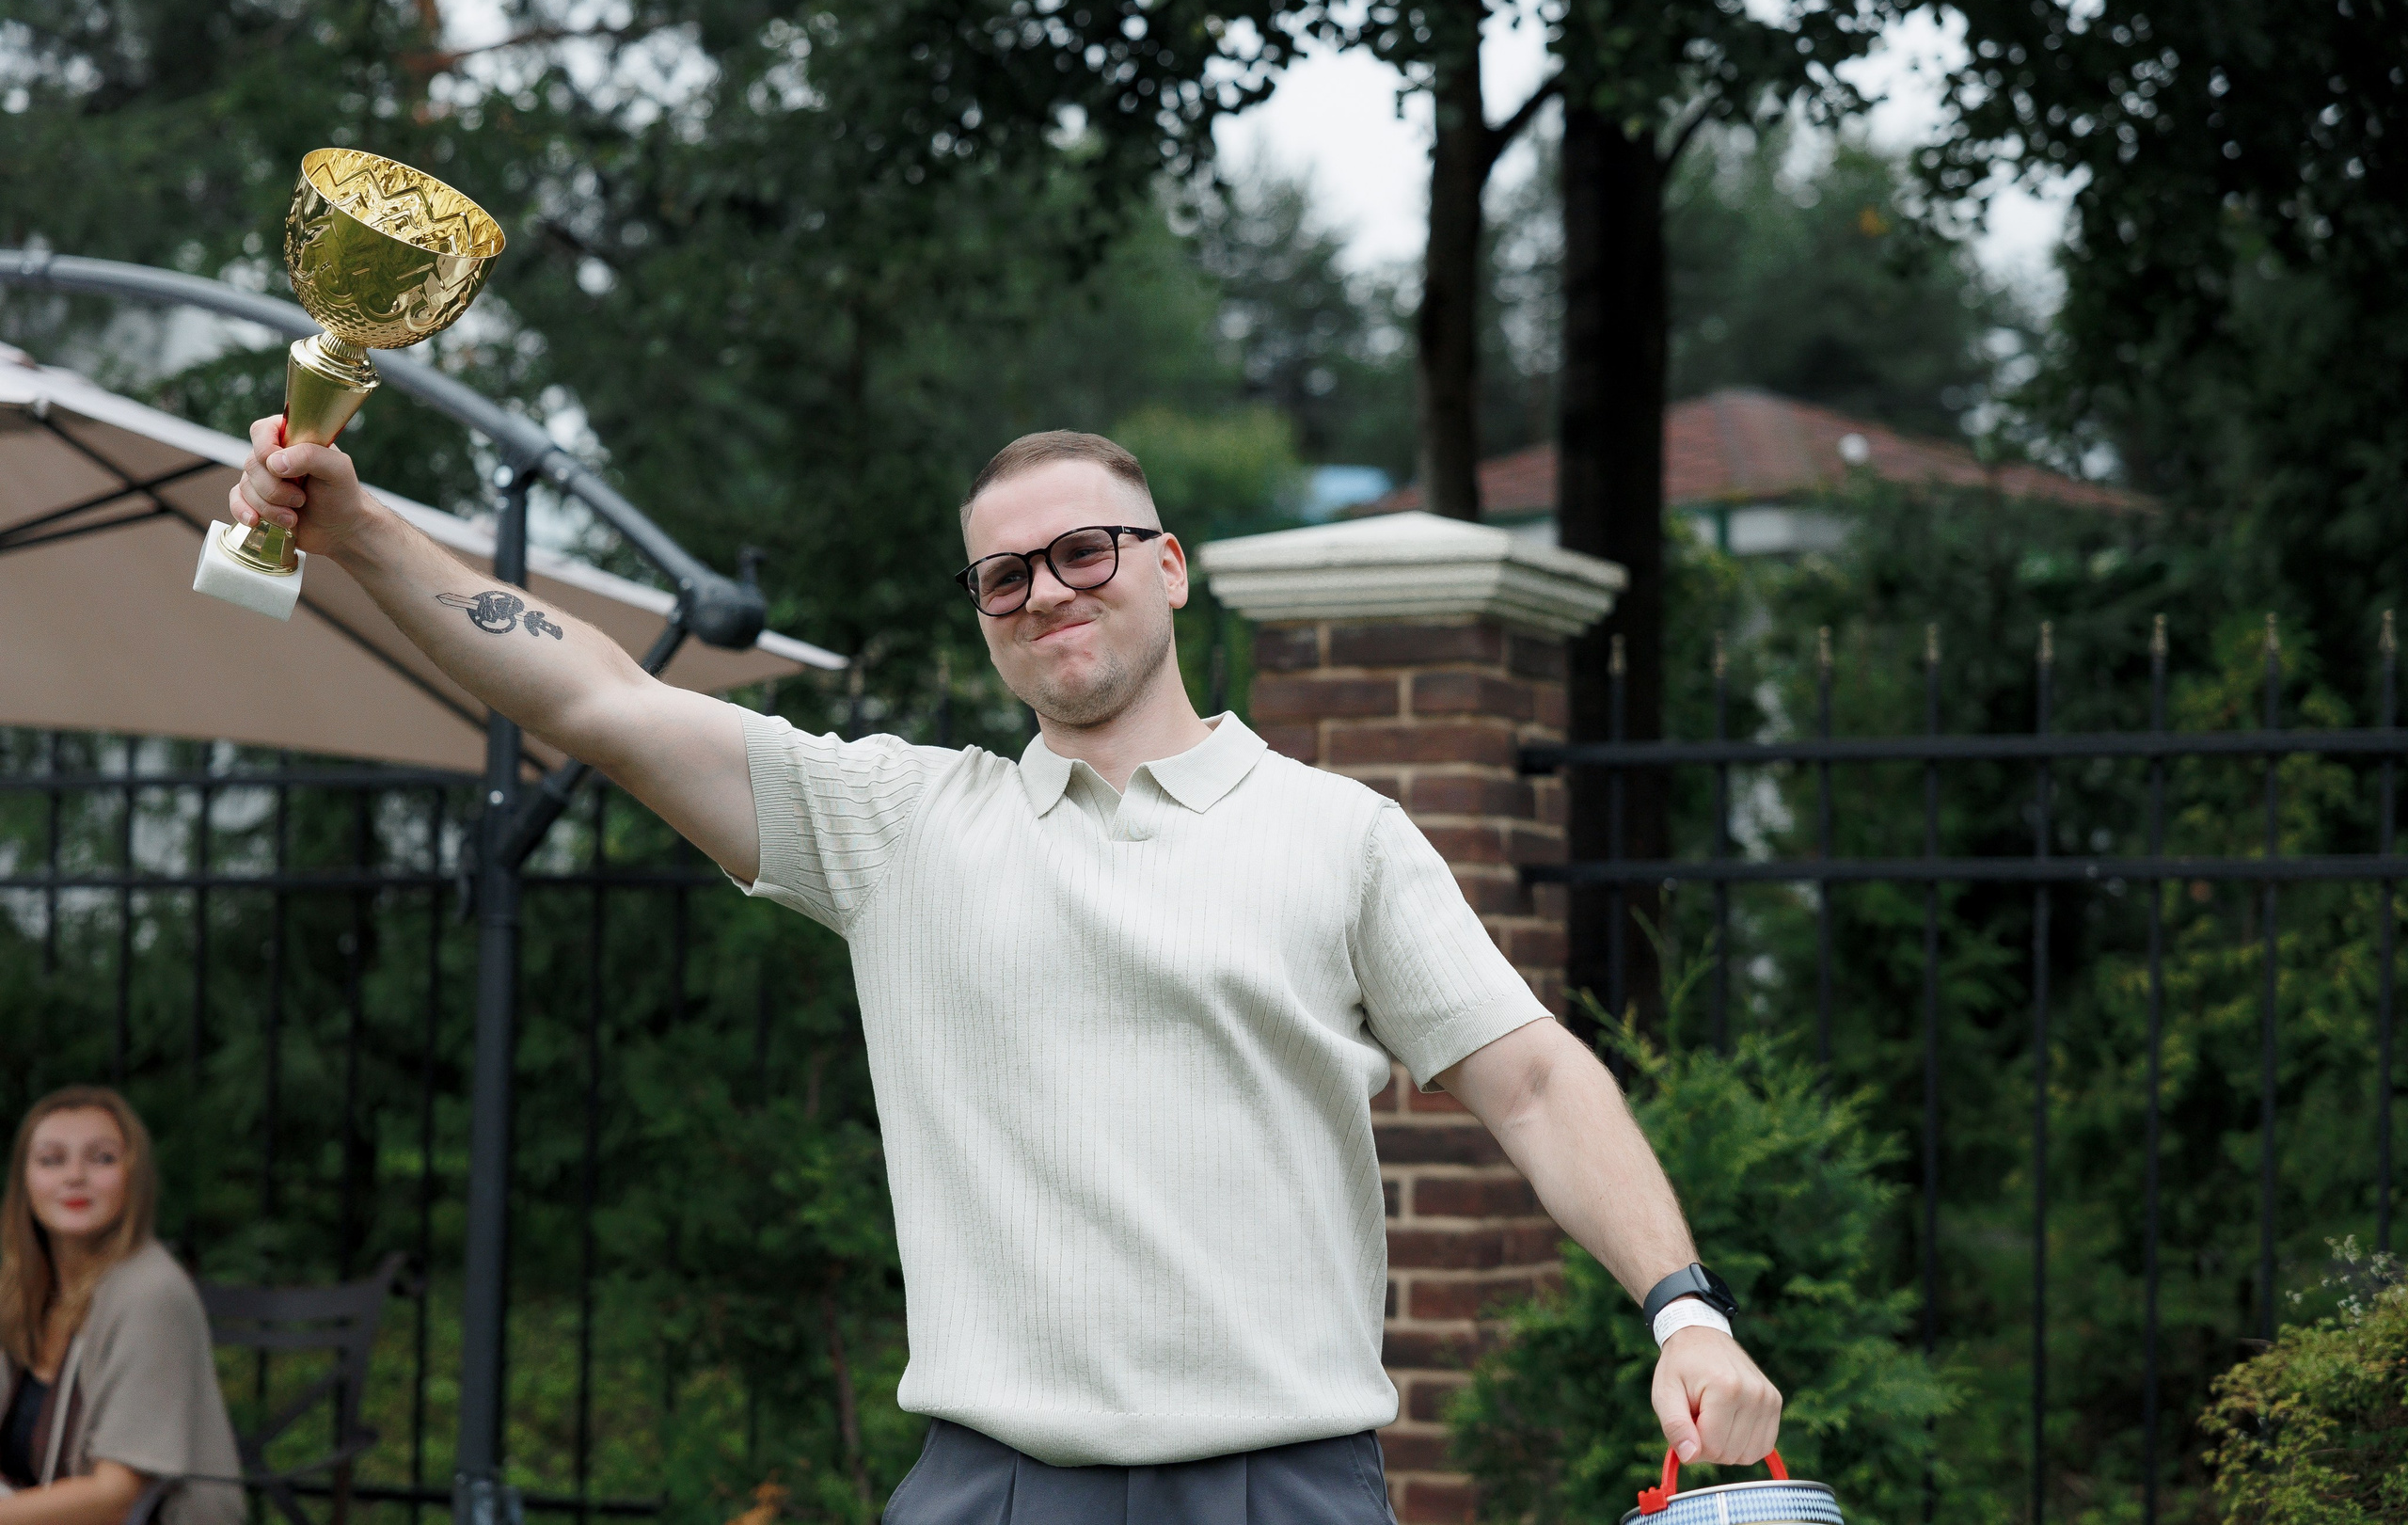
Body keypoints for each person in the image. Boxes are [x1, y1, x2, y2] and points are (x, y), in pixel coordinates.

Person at [229, 421, 1783, 1523]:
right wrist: (357, 525)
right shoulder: (898, 823)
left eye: (1082, 550)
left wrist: (1685, 1313)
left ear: (1169, 565)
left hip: (1283, 1483)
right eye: (1002, 575)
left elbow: (1530, 1072)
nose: (1045, 590)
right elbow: (603, 704)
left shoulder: (1341, 835)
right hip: (992, 1486)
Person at [0, 1088, 242, 1525]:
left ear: (135, 1177)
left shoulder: (150, 1292)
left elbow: (117, 1499)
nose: (75, 1175)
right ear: (24, 1183)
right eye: (52, 1159)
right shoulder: (20, 1291)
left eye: (102, 1158)